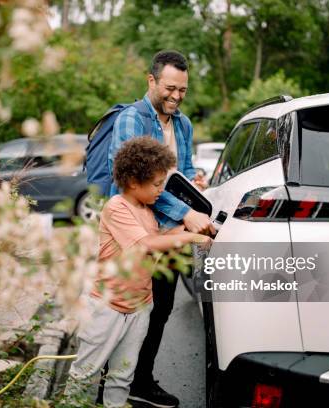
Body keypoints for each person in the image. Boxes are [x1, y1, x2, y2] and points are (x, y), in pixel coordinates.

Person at [64, 138, 212, 408]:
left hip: (140, 306)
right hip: (107, 307)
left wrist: (203, 230)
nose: (161, 191)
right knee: (87, 372)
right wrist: (191, 238)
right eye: (157, 184)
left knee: (123, 374)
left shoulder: (146, 209)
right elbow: (146, 244)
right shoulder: (117, 207)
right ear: (133, 181)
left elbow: (162, 235)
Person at [108, 50, 215, 408]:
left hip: (170, 236)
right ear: (151, 81)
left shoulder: (183, 125)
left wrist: (193, 188)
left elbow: (176, 177)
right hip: (138, 233)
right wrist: (186, 213)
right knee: (128, 311)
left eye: (183, 90)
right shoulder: (130, 120)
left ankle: (140, 381)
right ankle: (106, 386)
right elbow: (135, 183)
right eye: (170, 88)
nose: (176, 96)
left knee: (161, 309)